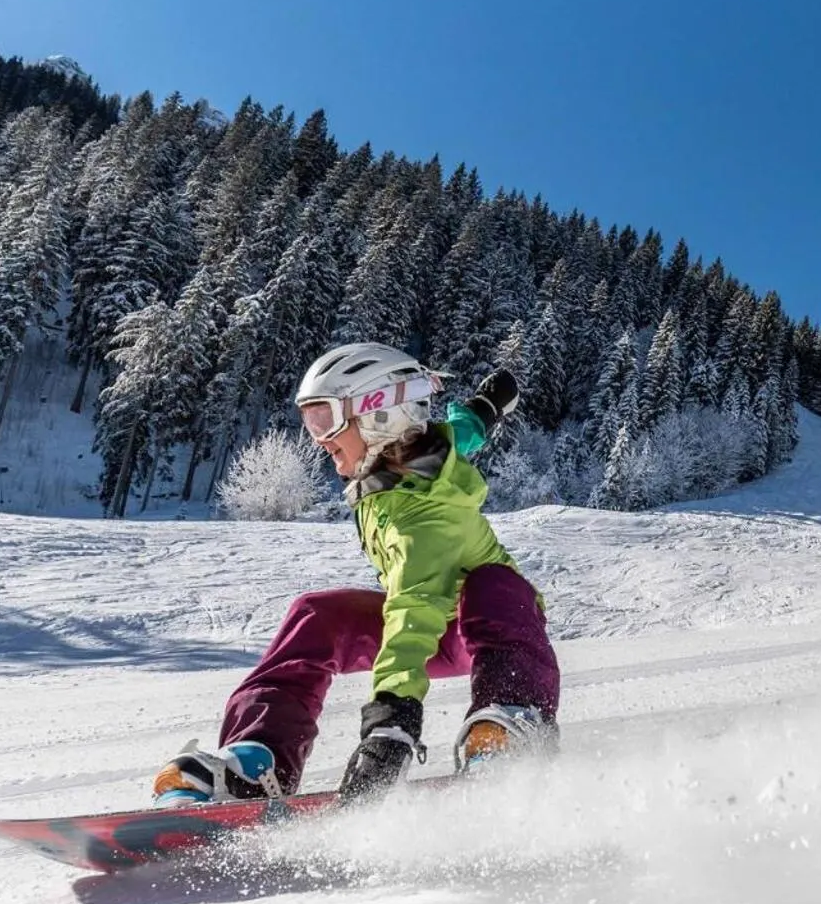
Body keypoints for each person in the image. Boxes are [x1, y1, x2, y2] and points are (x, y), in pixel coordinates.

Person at [152, 343, 560, 806]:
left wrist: (392, 721)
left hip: (491, 630)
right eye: (310, 421)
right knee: (315, 616)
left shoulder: (423, 519)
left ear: (379, 416)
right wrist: (489, 405)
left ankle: (508, 722)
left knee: (494, 583)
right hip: (428, 615)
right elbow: (460, 431)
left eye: (324, 420)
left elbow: (413, 609)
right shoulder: (408, 457)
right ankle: (257, 758)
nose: (318, 438)